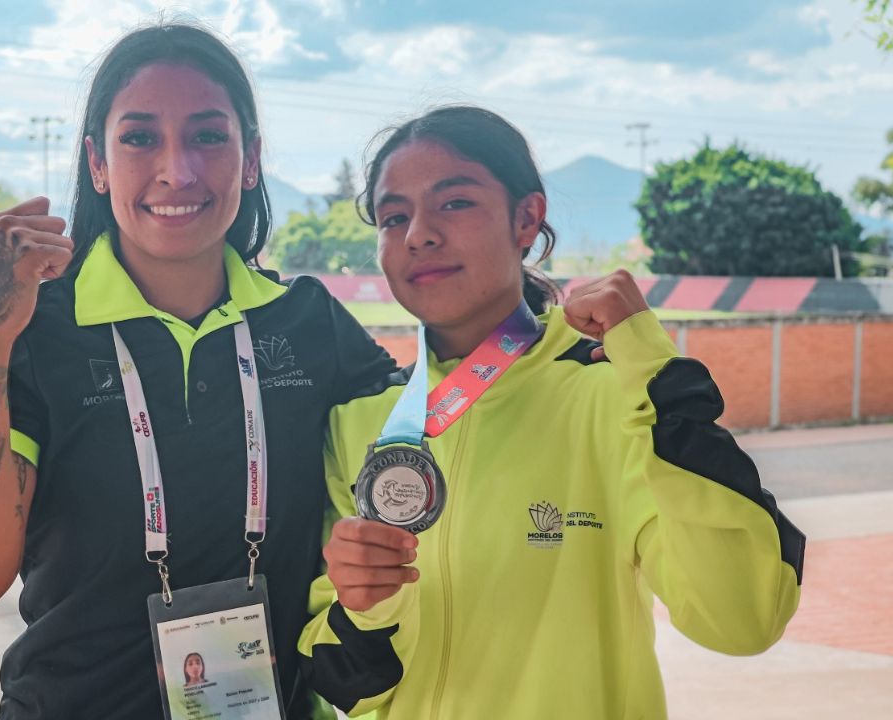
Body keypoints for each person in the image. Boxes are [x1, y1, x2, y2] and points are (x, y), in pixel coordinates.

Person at [0, 22, 399, 718]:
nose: (177, 170)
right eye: (140, 138)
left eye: (209, 135)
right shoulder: (39, 332)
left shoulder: (309, 324)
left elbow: (445, 423)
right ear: (97, 162)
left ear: (252, 158)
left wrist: (543, 329)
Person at [296, 105, 806, 719]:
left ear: (526, 218)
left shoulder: (615, 395)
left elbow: (743, 621)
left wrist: (652, 372)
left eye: (453, 203)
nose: (418, 235)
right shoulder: (359, 422)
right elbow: (343, 689)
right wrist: (363, 607)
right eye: (393, 216)